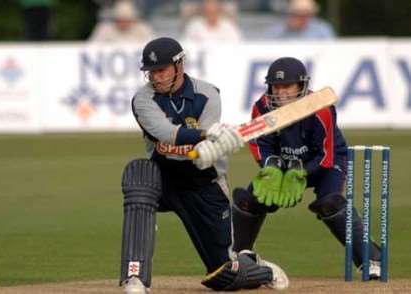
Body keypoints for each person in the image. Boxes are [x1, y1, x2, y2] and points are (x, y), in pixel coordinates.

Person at [119, 37, 289, 293]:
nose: (156, 77)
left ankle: (256, 266)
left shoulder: (207, 94)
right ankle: (136, 277)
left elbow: (205, 152)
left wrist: (217, 146)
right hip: (164, 177)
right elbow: (167, 133)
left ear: (180, 65)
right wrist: (208, 135)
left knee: (224, 275)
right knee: (139, 174)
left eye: (162, 70)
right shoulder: (142, 100)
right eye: (151, 72)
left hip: (203, 182)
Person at [230, 56, 382, 280]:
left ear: (301, 85)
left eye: (287, 86)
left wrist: (299, 172)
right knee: (248, 201)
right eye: (276, 86)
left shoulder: (320, 109)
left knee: (330, 204)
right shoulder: (261, 107)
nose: (281, 92)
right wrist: (271, 168)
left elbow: (326, 156)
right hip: (284, 162)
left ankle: (371, 258)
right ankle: (240, 257)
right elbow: (260, 143)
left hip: (323, 163)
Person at [262, 0, 335, 40]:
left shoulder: (322, 29)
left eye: (305, 14)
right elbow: (266, 44)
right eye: (297, 14)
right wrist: (289, 28)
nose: (301, 18)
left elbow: (330, 48)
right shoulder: (279, 29)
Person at [89, 0, 153, 43]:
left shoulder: (142, 29)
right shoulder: (105, 29)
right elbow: (92, 46)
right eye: (120, 20)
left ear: (133, 20)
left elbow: (152, 46)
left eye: (126, 20)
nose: (123, 23)